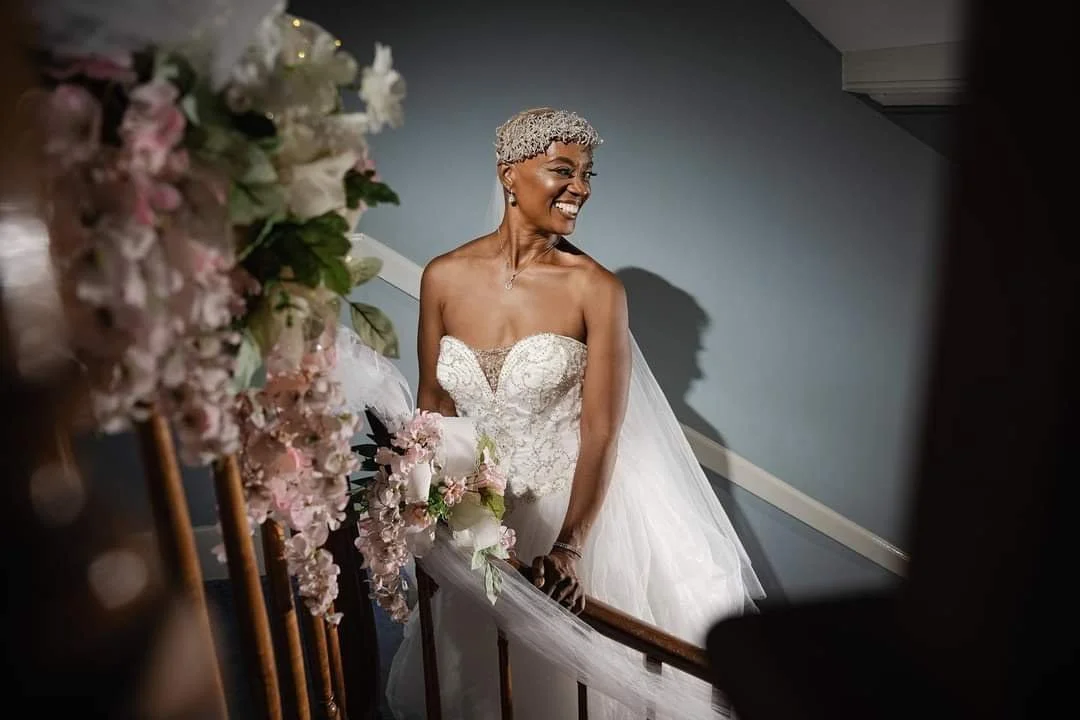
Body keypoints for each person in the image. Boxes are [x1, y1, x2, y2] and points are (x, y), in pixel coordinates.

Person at [385, 108, 764, 719]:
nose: (581, 188)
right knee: (476, 685)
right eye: (563, 170)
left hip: (574, 511)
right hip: (480, 512)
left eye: (588, 173)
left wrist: (570, 547)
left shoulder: (597, 288)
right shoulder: (443, 277)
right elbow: (434, 405)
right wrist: (438, 506)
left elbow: (602, 429)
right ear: (510, 175)